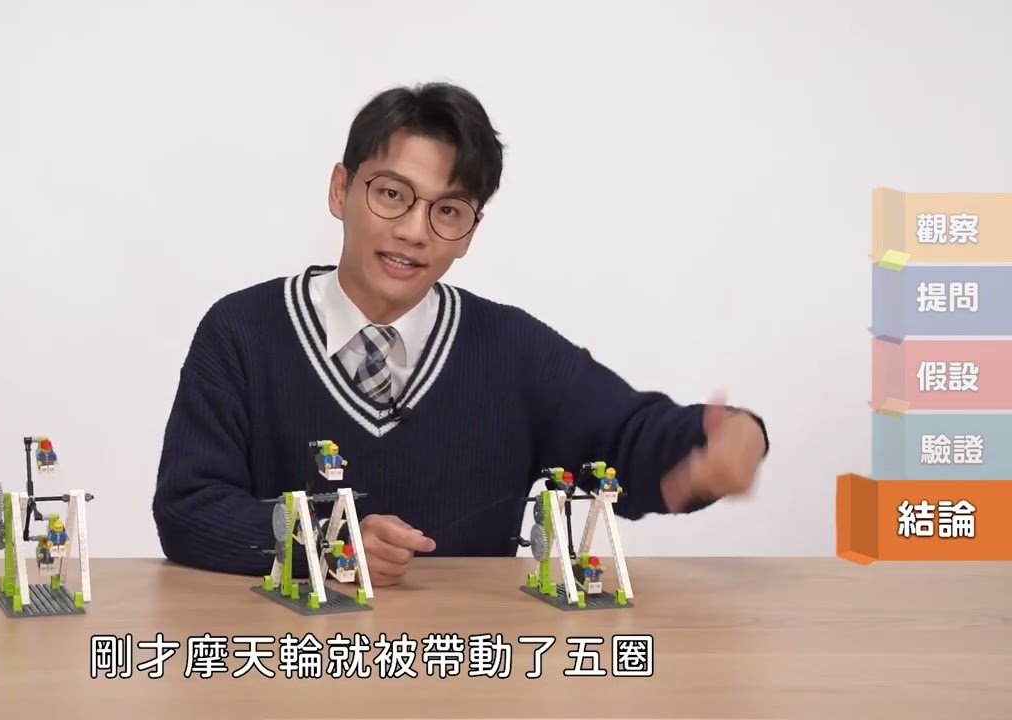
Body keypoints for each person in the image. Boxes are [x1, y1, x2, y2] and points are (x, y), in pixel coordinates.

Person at [152, 82, 769, 588]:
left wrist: (731, 438)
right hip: (289, 660)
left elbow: (630, 438)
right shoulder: (241, 332)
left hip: (468, 661)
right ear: (341, 190)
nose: (414, 231)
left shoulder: (512, 348)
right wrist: (327, 542)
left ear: (470, 232)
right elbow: (188, 507)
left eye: (447, 210)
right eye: (392, 195)